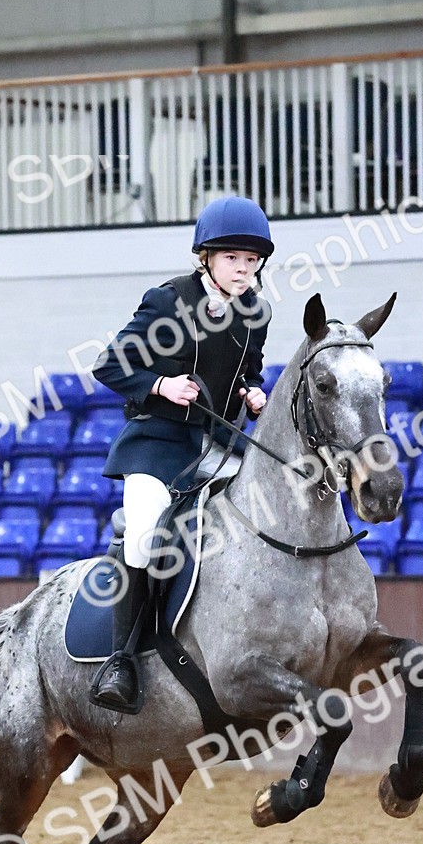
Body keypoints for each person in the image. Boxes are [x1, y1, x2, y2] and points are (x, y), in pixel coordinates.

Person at [89, 195, 274, 711]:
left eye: (252, 260)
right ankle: (121, 660)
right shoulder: (168, 301)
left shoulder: (256, 313)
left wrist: (252, 392)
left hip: (218, 446)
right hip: (158, 444)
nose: (244, 269)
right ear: (206, 257)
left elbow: (248, 371)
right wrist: (161, 385)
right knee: (144, 535)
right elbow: (109, 365)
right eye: (232, 258)